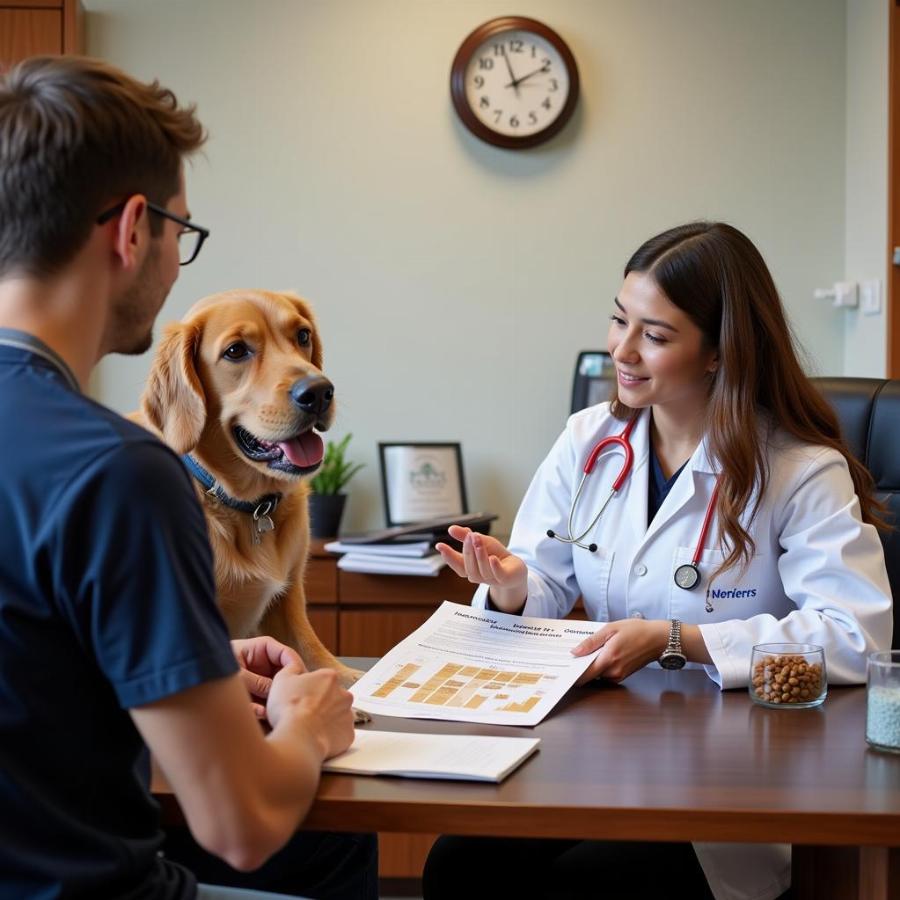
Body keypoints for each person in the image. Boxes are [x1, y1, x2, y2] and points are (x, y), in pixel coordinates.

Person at [424, 221, 892, 900]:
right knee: (460, 867)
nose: (623, 350)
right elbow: (546, 576)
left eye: (656, 335)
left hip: (730, 783)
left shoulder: (798, 469)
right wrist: (511, 585)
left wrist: (684, 642)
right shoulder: (590, 439)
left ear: (717, 353)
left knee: (586, 886)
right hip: (595, 757)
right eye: (620, 321)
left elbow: (856, 635)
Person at [0, 56, 375, 899]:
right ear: (135, 230)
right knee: (328, 840)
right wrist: (307, 726)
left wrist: (193, 661)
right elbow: (240, 824)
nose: (177, 258)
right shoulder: (123, 471)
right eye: (183, 232)